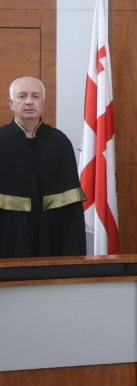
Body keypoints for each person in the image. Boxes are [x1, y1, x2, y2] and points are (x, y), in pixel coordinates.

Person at [0, 77, 86, 258]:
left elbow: (71, 208)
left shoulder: (60, 143)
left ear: (44, 103)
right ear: (11, 103)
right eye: (22, 96)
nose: (29, 101)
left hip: (51, 239)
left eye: (35, 96)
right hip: (8, 238)